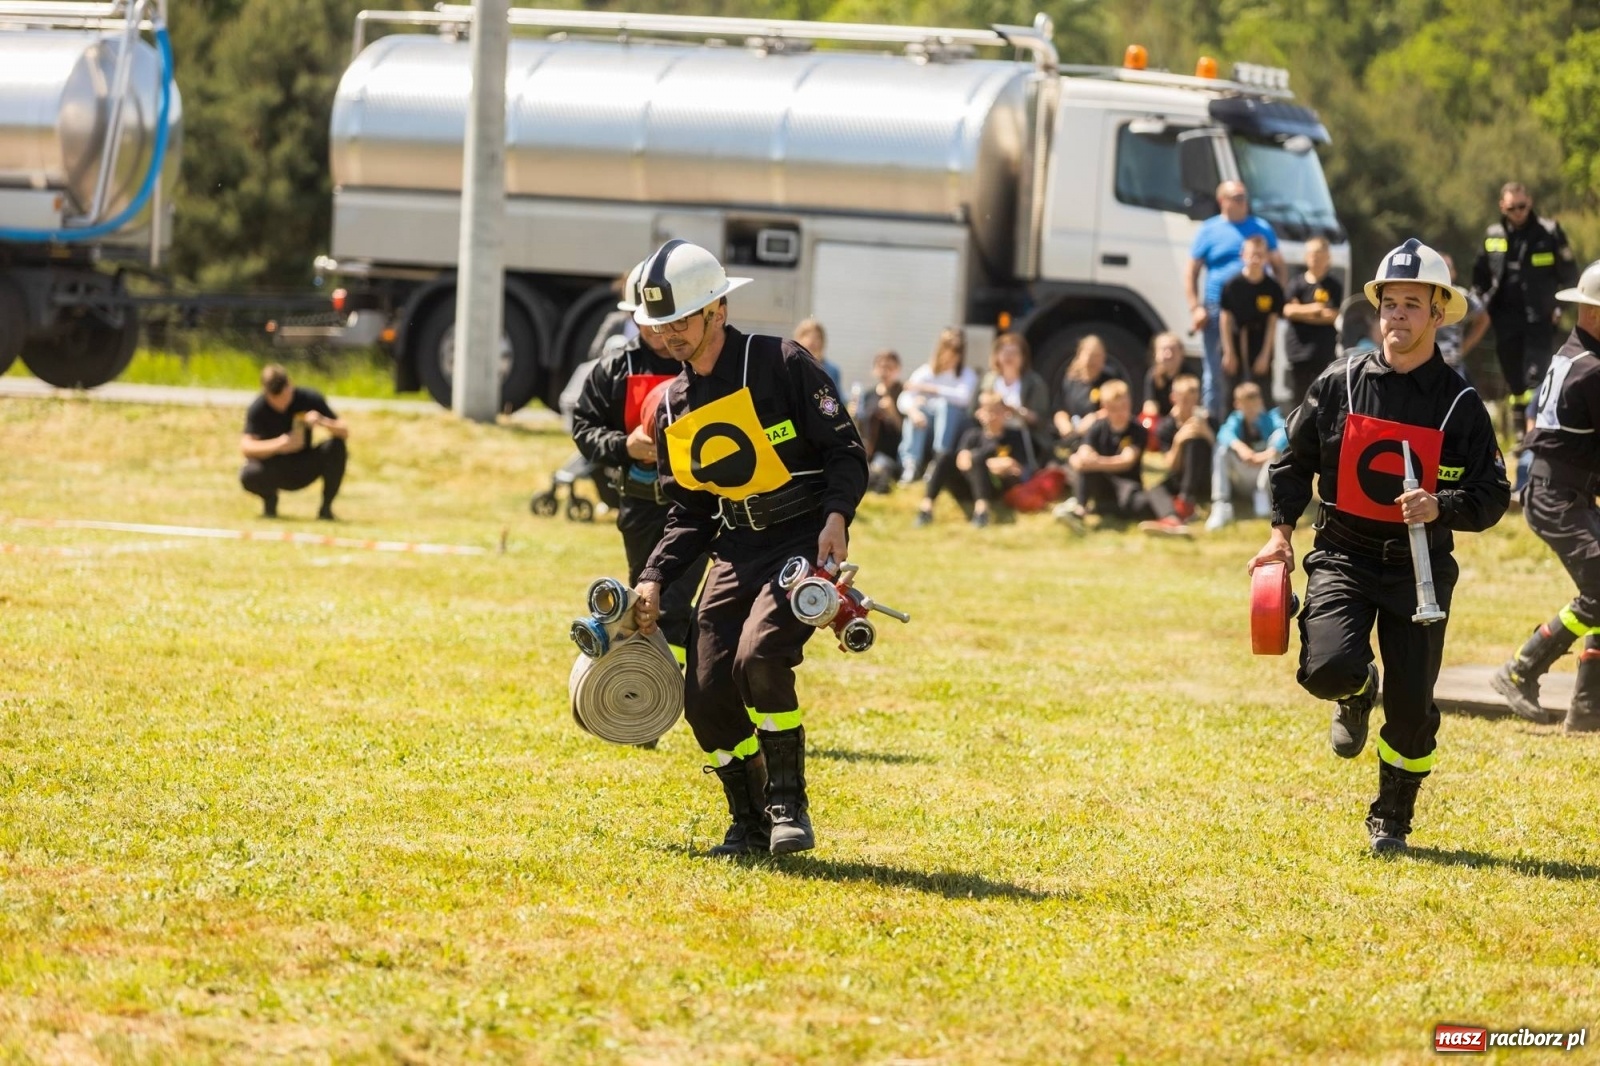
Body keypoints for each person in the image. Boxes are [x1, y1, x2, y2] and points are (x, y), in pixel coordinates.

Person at [1249, 239, 1509, 855]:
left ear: (1438, 314)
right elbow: (1292, 462)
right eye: (1390, 303)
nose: (1397, 316)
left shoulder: (1460, 404)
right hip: (1342, 555)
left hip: (1419, 570)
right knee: (1326, 670)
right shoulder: (1339, 381)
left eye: (1412, 305)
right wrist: (1280, 534)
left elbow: (1493, 493)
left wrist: (1441, 506)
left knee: (1413, 707)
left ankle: (1392, 817)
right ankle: (1356, 688)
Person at [630, 239, 868, 857]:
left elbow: (845, 452)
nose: (670, 334)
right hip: (736, 549)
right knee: (703, 691)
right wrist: (654, 575)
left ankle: (789, 803)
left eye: (681, 320)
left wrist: (837, 516)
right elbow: (690, 511)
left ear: (717, 310)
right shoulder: (673, 406)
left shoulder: (781, 362)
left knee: (759, 657)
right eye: (660, 324)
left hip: (801, 540)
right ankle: (750, 817)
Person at [570, 259, 709, 662]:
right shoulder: (614, 368)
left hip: (696, 505)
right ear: (633, 317)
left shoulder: (702, 364)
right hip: (640, 505)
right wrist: (623, 446)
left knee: (674, 603)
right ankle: (649, 680)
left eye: (665, 320)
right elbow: (583, 428)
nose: (658, 330)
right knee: (645, 602)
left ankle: (682, 679)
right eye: (646, 320)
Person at [1491, 259, 1600, 733]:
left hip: (1562, 491)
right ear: (1593, 313)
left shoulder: (1573, 355)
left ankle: (1587, 708)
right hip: (1556, 495)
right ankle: (1521, 669)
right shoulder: (1592, 370)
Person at [1471, 181, 1579, 428]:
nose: (1518, 212)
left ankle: (1537, 428)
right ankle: (1520, 429)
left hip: (1540, 317)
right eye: (1512, 208)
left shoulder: (1549, 232)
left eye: (1522, 206)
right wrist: (1481, 305)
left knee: (1537, 375)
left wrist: (1559, 308)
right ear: (1502, 206)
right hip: (1504, 319)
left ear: (1529, 203)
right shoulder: (1493, 234)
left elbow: (1570, 275)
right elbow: (1480, 277)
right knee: (1513, 378)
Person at [1185, 180, 1287, 422]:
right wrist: (1195, 307)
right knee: (1218, 372)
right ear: (1222, 200)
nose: (1243, 202)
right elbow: (1191, 272)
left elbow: (1279, 266)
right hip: (1218, 309)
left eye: (1244, 197)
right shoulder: (1209, 230)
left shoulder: (1261, 227)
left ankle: (1260, 429)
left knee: (1258, 374)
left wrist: (1277, 297)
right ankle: (1216, 425)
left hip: (1257, 313)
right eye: (1237, 197)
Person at [1055, 380, 1188, 535]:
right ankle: (1079, 510)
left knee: (1151, 496)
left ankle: (1172, 520)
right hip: (1103, 489)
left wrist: (1094, 462)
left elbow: (1126, 461)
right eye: (1114, 409)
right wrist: (1080, 461)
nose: (1120, 413)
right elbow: (1083, 453)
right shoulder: (1097, 427)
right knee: (1086, 470)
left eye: (1124, 407)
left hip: (1128, 491)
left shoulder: (1137, 430)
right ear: (1104, 407)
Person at [239, 364, 349, 520]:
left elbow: (344, 431)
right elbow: (246, 447)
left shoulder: (308, 398)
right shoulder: (258, 407)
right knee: (249, 474)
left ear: (290, 385)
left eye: (284, 396)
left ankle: (326, 509)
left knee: (336, 447)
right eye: (275, 399)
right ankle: (270, 501)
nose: (281, 404)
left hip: (304, 464)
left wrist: (322, 421)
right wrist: (280, 445)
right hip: (274, 467)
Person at [915, 391, 1033, 528]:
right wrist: (989, 463)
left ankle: (982, 512)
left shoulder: (1014, 437)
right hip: (967, 485)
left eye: (996, 411)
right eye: (988, 411)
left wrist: (982, 462)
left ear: (1005, 413)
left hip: (995, 487)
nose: (992, 416)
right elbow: (962, 461)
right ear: (979, 413)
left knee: (976, 458)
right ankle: (926, 509)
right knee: (944, 457)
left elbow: (1016, 466)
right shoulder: (972, 435)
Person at [897, 327, 977, 483]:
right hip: (926, 427)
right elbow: (904, 397)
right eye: (949, 349)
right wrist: (913, 411)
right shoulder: (925, 372)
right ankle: (911, 464)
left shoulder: (967, 375)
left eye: (957, 351)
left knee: (945, 406)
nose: (952, 355)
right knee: (917, 410)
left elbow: (963, 398)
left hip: (955, 429)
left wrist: (930, 389)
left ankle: (939, 460)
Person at [1205, 382, 1287, 531]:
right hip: (1244, 474)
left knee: (1279, 442)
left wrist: (1267, 454)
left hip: (1265, 478)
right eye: (1246, 406)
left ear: (1260, 402)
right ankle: (1221, 504)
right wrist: (1241, 448)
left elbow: (1286, 431)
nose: (1251, 410)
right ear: (1237, 405)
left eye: (1254, 405)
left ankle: (1262, 496)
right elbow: (1224, 433)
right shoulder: (1235, 420)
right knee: (1222, 449)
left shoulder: (1270, 418)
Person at [1218, 235, 1284, 400]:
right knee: (1232, 395)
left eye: (1260, 255)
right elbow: (1225, 319)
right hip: (1235, 340)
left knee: (1263, 394)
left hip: (1260, 342)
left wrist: (1265, 354)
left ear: (1267, 258)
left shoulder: (1272, 287)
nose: (1255, 259)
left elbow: (1272, 322)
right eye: (1252, 254)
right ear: (1243, 256)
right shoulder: (1232, 285)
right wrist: (1229, 352)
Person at [1281, 236, 1343, 410]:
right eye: (1312, 254)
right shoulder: (1296, 284)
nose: (1315, 258)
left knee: (1322, 396)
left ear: (1327, 258)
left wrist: (1301, 311)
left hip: (1323, 350)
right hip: (1298, 350)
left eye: (1319, 255)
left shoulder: (1333, 285)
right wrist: (1316, 309)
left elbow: (1333, 315)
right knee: (1298, 397)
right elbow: (1288, 311)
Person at [1148, 373, 1212, 524]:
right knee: (1155, 490)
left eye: (1193, 400)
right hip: (1180, 477)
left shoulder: (1208, 420)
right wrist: (1178, 441)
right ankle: (1171, 517)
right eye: (1185, 400)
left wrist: (1208, 434)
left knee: (1194, 441)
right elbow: (1171, 465)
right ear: (1174, 398)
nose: (1190, 405)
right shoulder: (1165, 427)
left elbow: (1219, 455)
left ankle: (1186, 500)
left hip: (1206, 478)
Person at [979, 331, 1052, 455]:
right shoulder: (989, 380)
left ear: (1023, 357)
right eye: (1005, 353)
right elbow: (974, 410)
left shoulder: (1034, 383)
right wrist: (986, 414)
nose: (1009, 357)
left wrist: (1015, 411)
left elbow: (1041, 419)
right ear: (997, 355)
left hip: (1022, 436)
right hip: (992, 435)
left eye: (1014, 353)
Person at [1051, 334, 1125, 447]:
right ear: (1080, 355)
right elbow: (1060, 407)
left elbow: (1118, 406)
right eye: (1089, 355)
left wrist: (1094, 418)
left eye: (1097, 356)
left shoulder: (1111, 378)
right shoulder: (1070, 380)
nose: (1092, 361)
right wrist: (1063, 424)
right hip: (1074, 434)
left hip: (1100, 434)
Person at [851, 348, 904, 492]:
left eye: (889, 367)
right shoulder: (868, 395)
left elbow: (904, 431)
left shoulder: (902, 393)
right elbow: (860, 428)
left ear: (897, 369)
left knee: (880, 470)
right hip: (867, 452)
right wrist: (853, 415)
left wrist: (892, 411)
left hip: (889, 454)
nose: (885, 371)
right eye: (881, 367)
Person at [1435, 253, 1489, 384]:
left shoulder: (1461, 296)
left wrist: (1464, 348)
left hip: (1451, 367)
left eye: (1447, 267)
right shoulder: (1419, 294)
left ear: (1454, 273)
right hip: (1420, 365)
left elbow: (1483, 318)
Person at [1141, 332, 1186, 421]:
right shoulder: (1153, 375)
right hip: (1161, 422)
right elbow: (1149, 405)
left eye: (1173, 350)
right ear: (1156, 354)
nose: (1169, 355)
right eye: (1164, 350)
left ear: (1181, 353)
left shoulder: (1189, 375)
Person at [793, 317, 843, 393]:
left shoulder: (832, 371)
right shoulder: (790, 367)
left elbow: (837, 396)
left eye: (817, 337)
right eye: (807, 336)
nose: (811, 341)